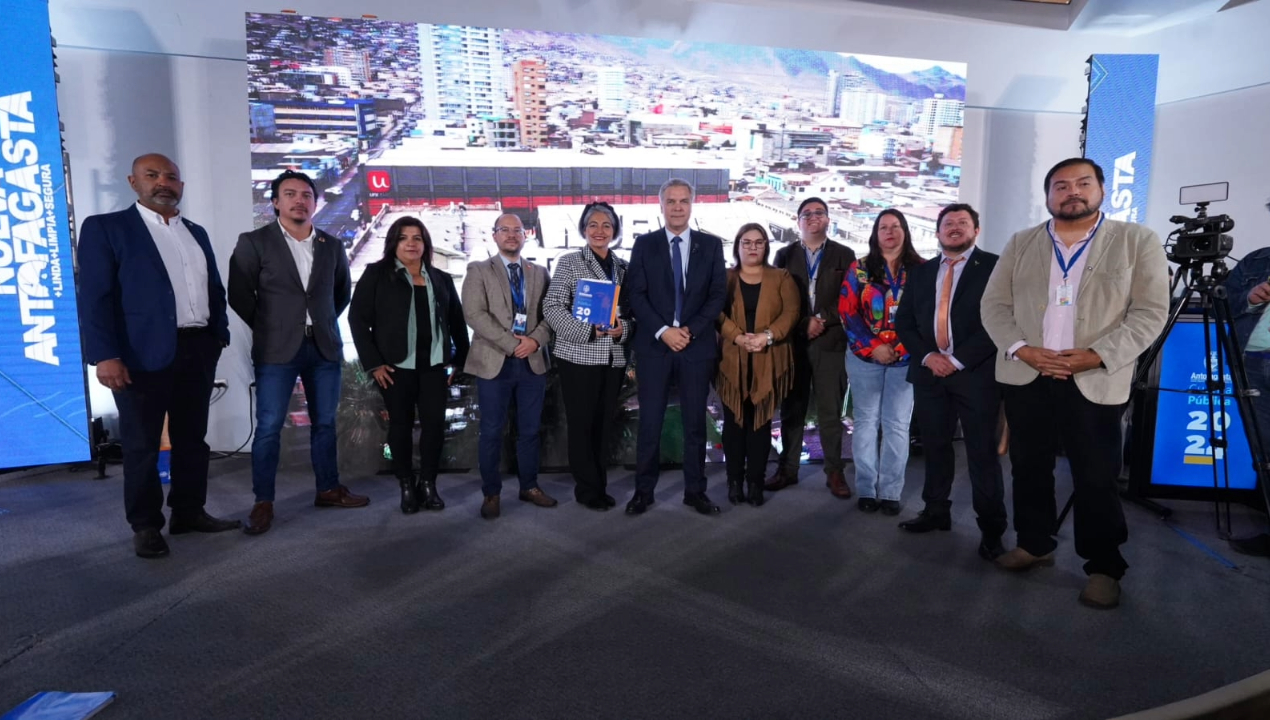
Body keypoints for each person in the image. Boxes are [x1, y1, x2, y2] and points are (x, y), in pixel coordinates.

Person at [981, 157, 1169, 609]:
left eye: (1083, 183)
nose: (1072, 192)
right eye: (1061, 186)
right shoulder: (1022, 242)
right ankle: (1034, 543)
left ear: (1101, 190)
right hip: (1029, 373)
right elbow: (994, 306)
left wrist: (1098, 354)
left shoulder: (1136, 240)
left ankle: (1104, 567)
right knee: (1028, 468)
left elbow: (1149, 313)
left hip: (1094, 377)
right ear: (1048, 195)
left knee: (1096, 476)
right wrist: (1021, 348)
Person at [78, 154, 239, 558]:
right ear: (133, 182)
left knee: (192, 440)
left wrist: (218, 336)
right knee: (142, 445)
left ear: (181, 185)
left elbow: (213, 289)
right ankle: (146, 525)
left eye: (171, 176)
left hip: (197, 349)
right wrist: (105, 355)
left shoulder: (196, 232)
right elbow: (94, 298)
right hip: (138, 355)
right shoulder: (106, 228)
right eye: (152, 175)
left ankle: (188, 511)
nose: (163, 182)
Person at [228, 169, 365, 537]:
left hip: (323, 347)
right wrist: (272, 326)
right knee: (269, 426)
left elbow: (340, 294)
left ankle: (328, 489)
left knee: (325, 423)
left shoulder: (331, 245)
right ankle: (263, 501)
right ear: (276, 202)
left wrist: (318, 322)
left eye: (306, 195)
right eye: (290, 194)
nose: (299, 200)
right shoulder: (254, 242)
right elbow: (239, 294)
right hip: (276, 349)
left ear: (315, 203)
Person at [894, 204, 1007, 560]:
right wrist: (929, 356)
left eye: (962, 222)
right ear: (938, 232)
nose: (955, 228)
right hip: (930, 375)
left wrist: (957, 360)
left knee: (981, 454)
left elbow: (1000, 321)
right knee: (935, 446)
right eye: (948, 223)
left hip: (976, 375)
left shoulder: (995, 267)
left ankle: (991, 530)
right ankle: (935, 510)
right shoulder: (922, 272)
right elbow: (904, 323)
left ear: (976, 230)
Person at [348, 217, 469, 514]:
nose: (411, 243)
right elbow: (357, 320)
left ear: (425, 243)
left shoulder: (440, 278)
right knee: (400, 427)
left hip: (434, 367)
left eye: (417, 238)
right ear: (394, 243)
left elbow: (456, 321)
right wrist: (374, 364)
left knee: (434, 427)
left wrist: (459, 361)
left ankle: (428, 483)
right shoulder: (377, 274)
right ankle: (406, 485)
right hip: (395, 368)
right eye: (404, 238)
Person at [624, 178, 728, 516]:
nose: (678, 207)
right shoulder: (645, 244)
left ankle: (695, 492)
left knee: (695, 424)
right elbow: (636, 294)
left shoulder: (710, 245)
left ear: (692, 205)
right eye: (671, 201)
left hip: (695, 348)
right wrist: (663, 331)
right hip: (655, 348)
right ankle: (643, 492)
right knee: (650, 423)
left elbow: (717, 296)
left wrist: (689, 331)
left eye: (684, 201)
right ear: (661, 206)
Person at [462, 213, 557, 520]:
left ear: (525, 235)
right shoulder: (478, 270)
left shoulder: (539, 272)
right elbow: (474, 314)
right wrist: (511, 343)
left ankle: (529, 486)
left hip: (531, 362)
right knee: (491, 431)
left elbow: (551, 314)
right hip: (494, 361)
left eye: (518, 230)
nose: (512, 235)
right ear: (494, 235)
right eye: (505, 230)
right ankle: (491, 493)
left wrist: (535, 341)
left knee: (529, 430)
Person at [542, 202, 633, 511]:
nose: (599, 231)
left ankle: (599, 484)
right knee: (582, 425)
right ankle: (588, 489)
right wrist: (587, 331)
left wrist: (623, 329)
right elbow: (552, 307)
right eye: (593, 224)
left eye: (606, 225)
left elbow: (632, 314)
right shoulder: (570, 262)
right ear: (583, 229)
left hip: (612, 358)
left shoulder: (623, 267)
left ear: (615, 231)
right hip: (578, 356)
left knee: (603, 425)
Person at [768, 197, 858, 498]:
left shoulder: (845, 255)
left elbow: (849, 297)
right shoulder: (784, 255)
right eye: (806, 213)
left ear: (828, 220)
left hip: (830, 343)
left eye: (819, 212)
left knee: (830, 412)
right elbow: (778, 300)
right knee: (792, 409)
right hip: (794, 344)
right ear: (798, 221)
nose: (813, 217)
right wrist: (803, 322)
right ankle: (788, 469)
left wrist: (821, 319)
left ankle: (834, 471)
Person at [838, 209, 924, 516]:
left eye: (896, 226)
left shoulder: (922, 269)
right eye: (883, 227)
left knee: (897, 425)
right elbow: (847, 311)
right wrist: (875, 346)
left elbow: (926, 314)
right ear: (875, 233)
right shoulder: (859, 268)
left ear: (905, 231)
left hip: (906, 358)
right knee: (865, 423)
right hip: (865, 357)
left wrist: (899, 347)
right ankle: (866, 489)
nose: (890, 231)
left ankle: (890, 492)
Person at [716, 224, 800, 507]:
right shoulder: (725, 278)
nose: (753, 247)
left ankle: (755, 482)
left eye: (759, 242)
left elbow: (791, 312)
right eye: (747, 242)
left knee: (760, 423)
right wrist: (738, 337)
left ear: (766, 246)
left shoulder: (781, 277)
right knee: (733, 423)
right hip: (731, 359)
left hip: (769, 357)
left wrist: (767, 337)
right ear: (737, 246)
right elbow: (716, 312)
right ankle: (734, 481)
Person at [1220, 246, 1270, 557]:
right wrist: (1251, 298)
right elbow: (1222, 302)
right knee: (1264, 452)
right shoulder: (1256, 260)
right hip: (1252, 362)